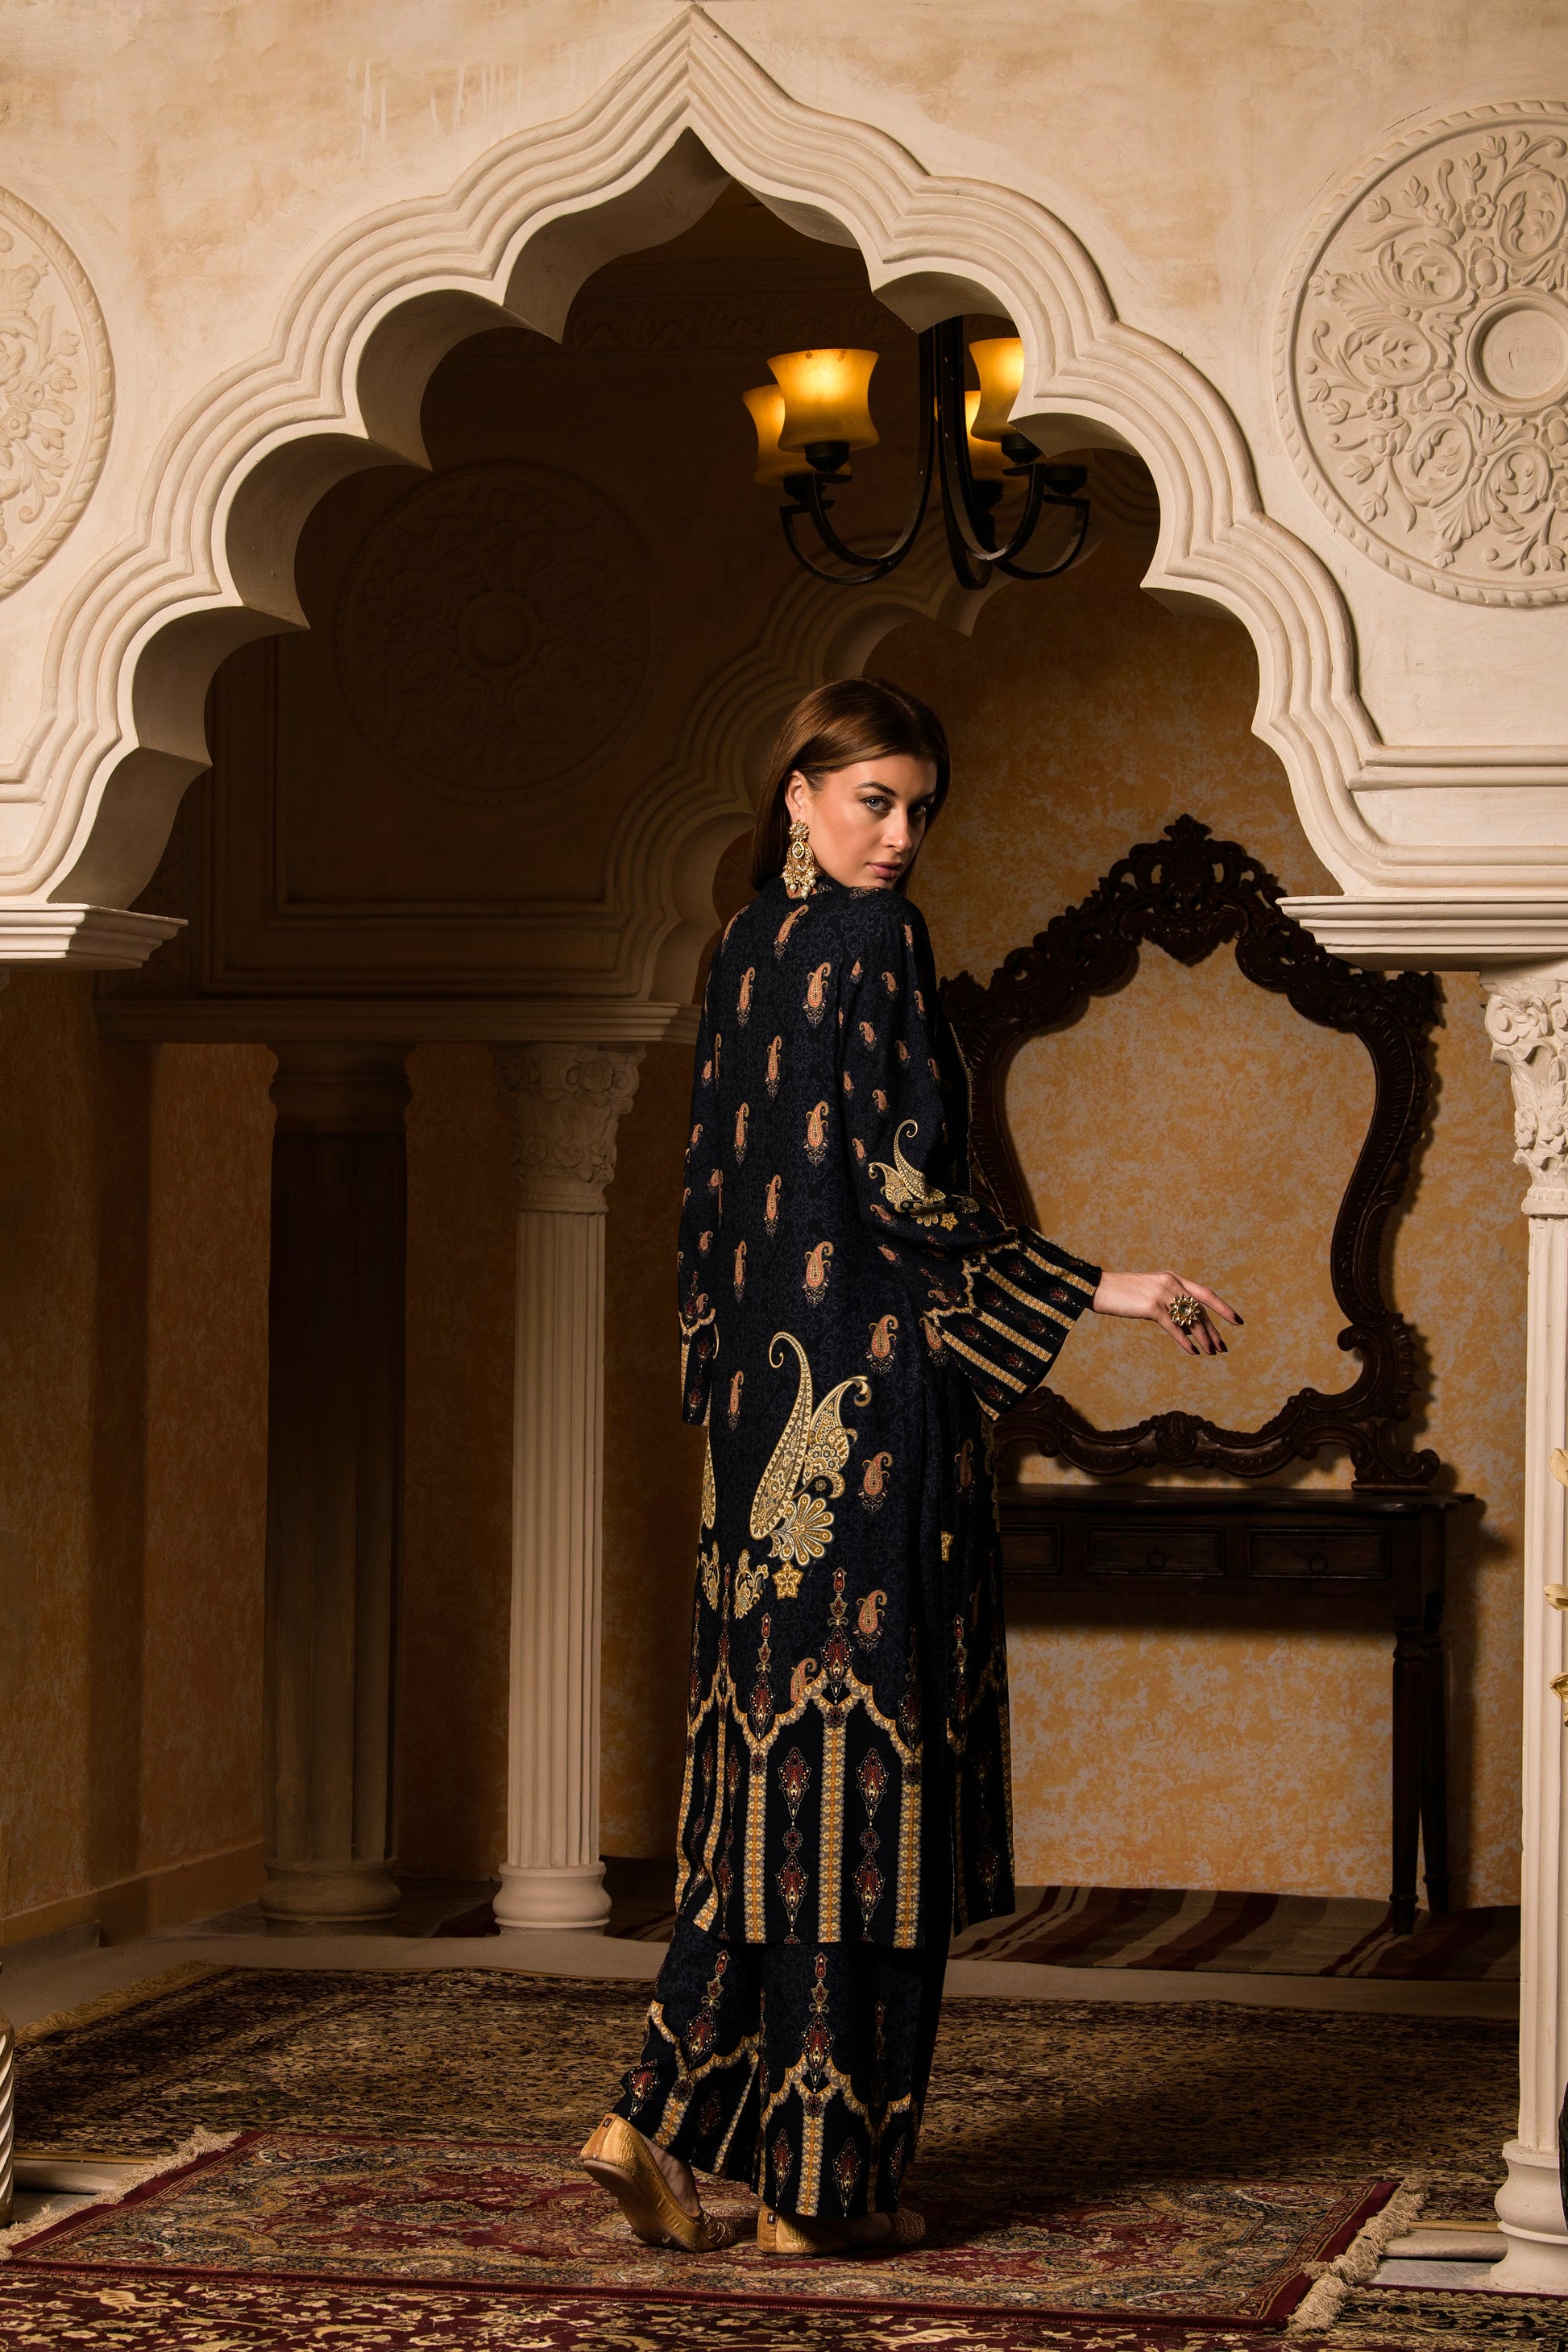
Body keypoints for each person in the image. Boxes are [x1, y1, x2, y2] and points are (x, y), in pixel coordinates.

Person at [581, 678, 1239, 2257]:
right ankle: (818, 2193)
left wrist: (729, 1397)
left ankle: (656, 2123)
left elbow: (708, 1206)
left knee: (775, 1781)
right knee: (869, 1779)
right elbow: (899, 1188)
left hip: (759, 1437)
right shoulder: (878, 941)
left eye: (919, 808)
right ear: (797, 792)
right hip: (872, 1422)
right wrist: (1106, 1285)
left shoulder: (744, 946)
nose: (898, 837)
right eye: (872, 799)